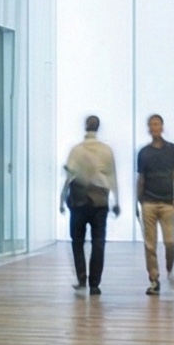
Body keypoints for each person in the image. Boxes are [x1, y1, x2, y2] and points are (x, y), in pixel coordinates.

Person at [61, 115, 119, 295]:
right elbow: (112, 177)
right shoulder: (106, 150)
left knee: (77, 242)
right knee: (98, 242)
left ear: (85, 126)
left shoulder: (76, 150)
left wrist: (61, 199)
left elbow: (69, 175)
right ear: (98, 127)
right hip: (100, 200)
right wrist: (117, 201)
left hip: (78, 199)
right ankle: (95, 283)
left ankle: (81, 278)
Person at [135, 114, 174, 295]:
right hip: (148, 201)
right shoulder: (143, 153)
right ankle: (154, 279)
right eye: (151, 125)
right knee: (150, 244)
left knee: (169, 242)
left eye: (157, 124)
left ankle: (169, 269)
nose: (155, 127)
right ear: (149, 129)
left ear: (162, 127)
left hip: (167, 203)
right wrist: (137, 200)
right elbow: (140, 178)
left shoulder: (173, 150)